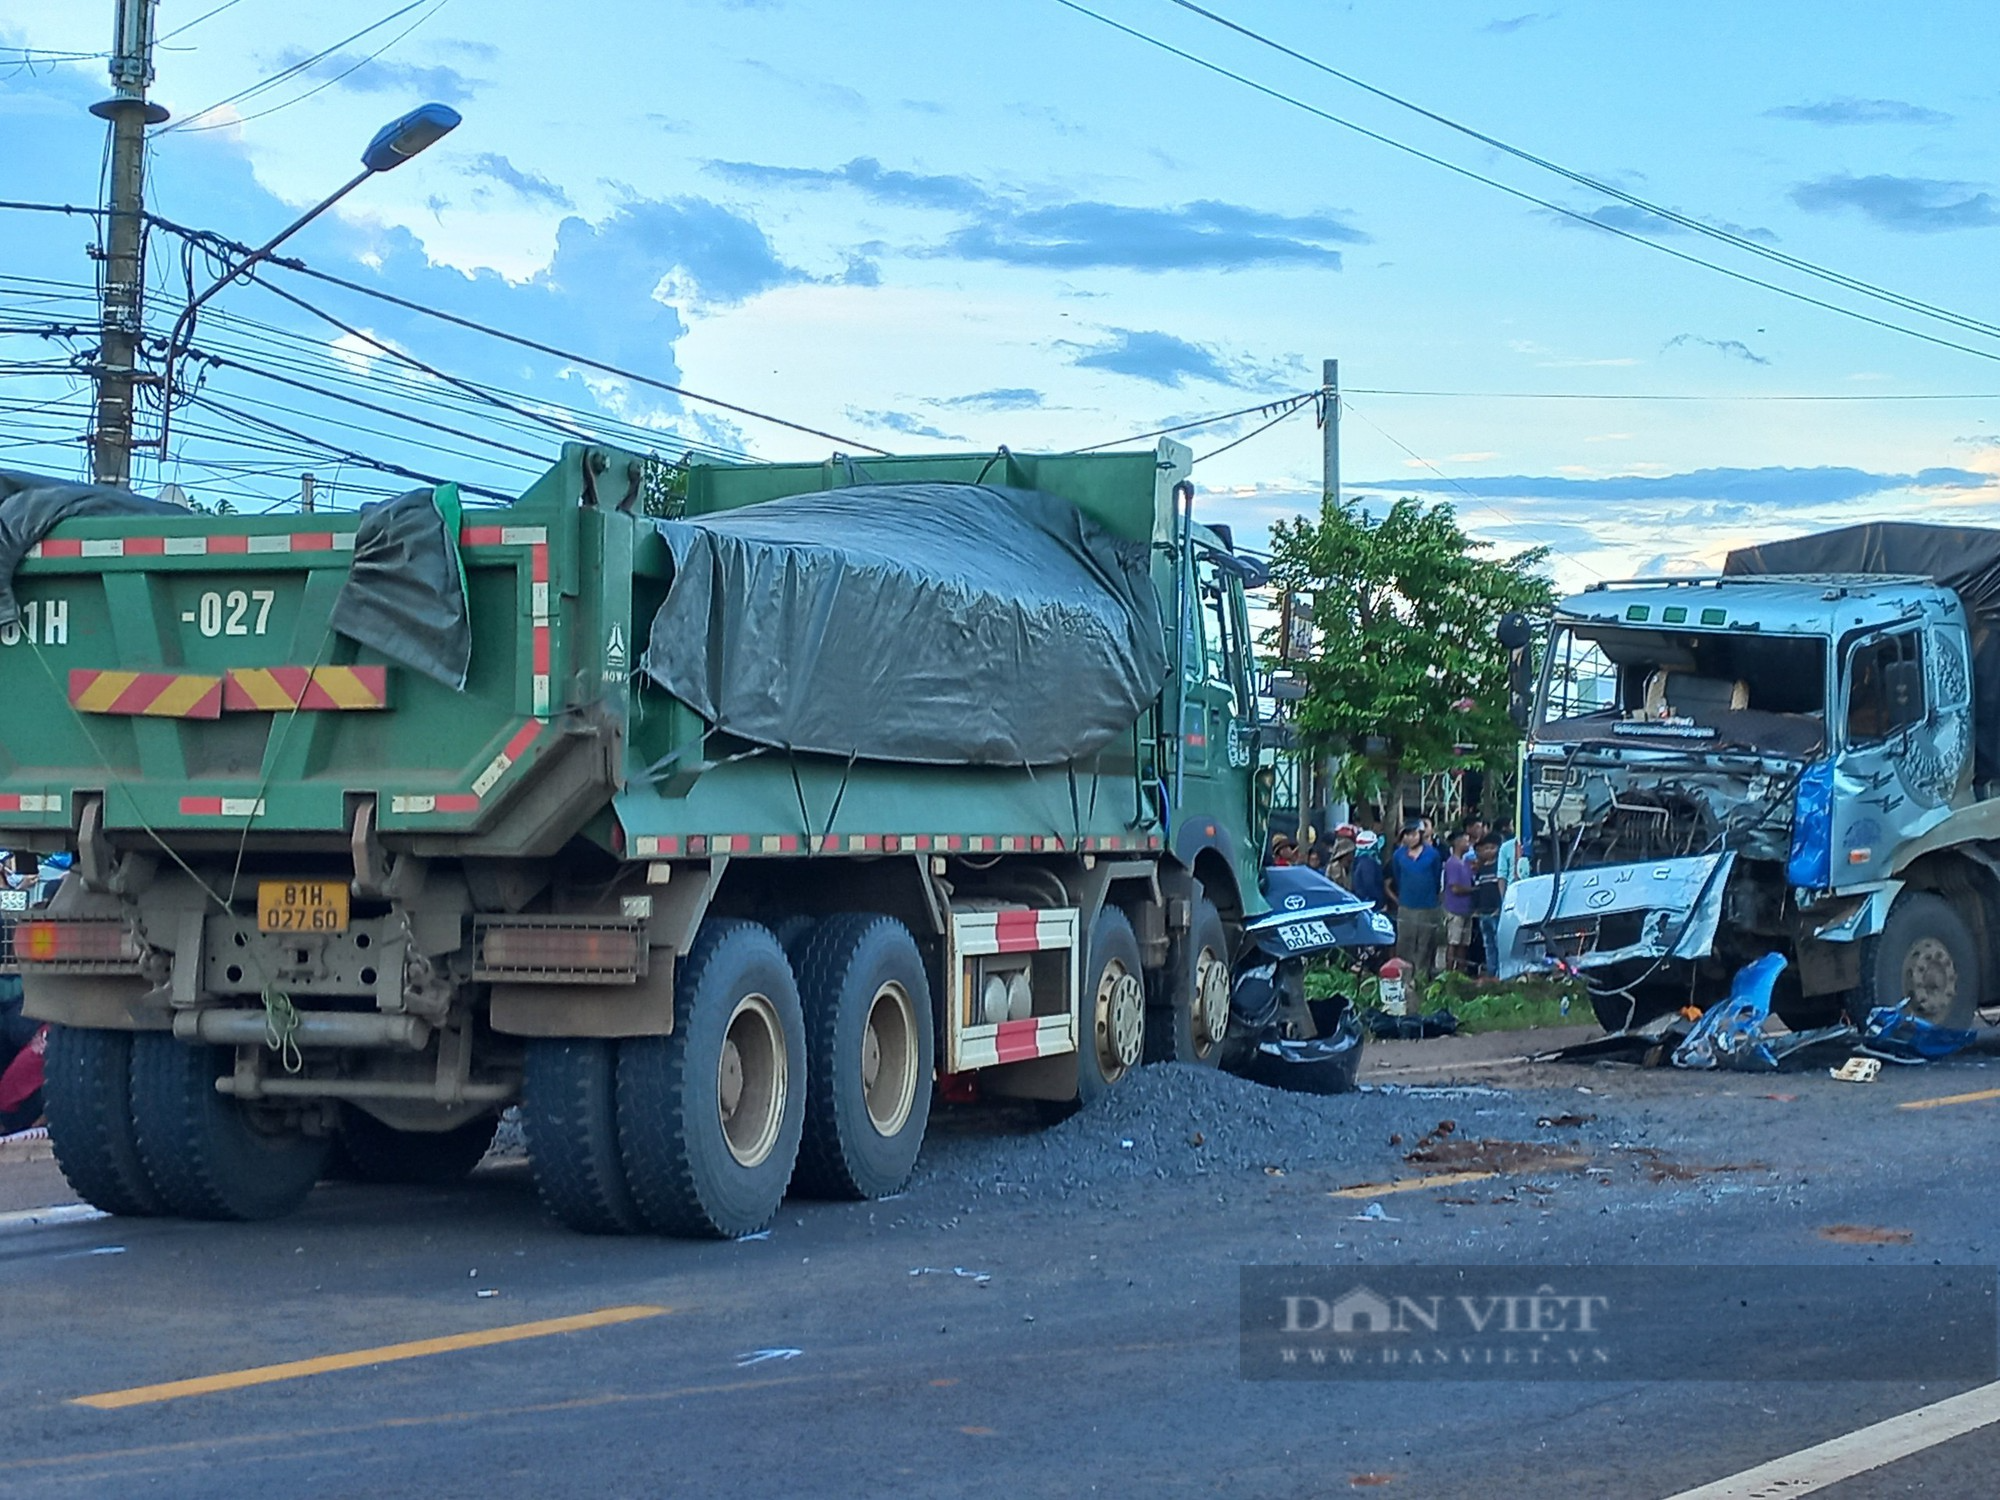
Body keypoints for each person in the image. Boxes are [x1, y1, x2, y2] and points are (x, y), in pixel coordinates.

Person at [1386, 820, 1446, 976]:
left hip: (1428, 906)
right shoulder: (1398, 855)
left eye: (1413, 834)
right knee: (1405, 943)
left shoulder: (1432, 854)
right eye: (1407, 835)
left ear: (1420, 835)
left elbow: (1436, 875)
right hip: (1406, 906)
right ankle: (1404, 978)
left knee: (1425, 944)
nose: (1410, 838)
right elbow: (1397, 877)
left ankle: (1422, 977)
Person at [1442, 830, 1475, 974]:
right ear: (1457, 843)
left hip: (1466, 909)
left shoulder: (1466, 863)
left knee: (1464, 943)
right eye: (1465, 841)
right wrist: (1473, 890)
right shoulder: (1452, 863)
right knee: (1453, 942)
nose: (1468, 844)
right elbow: (1454, 888)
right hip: (1454, 909)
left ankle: (1460, 972)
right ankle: (1449, 972)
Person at [1472, 834, 1505, 977]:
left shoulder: (1499, 867)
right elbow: (1478, 891)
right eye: (1486, 848)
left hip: (1496, 912)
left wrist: (1500, 907)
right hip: (1483, 912)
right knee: (1488, 944)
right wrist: (1476, 908)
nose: (1489, 851)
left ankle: (1501, 972)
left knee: (1499, 943)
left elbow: (1500, 890)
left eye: (1492, 848)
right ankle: (1492, 971)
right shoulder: (1481, 869)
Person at [1349, 830, 1386, 910]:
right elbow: (1369, 884)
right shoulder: (1368, 862)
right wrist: (1379, 901)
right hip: (1370, 904)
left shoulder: (1358, 859)